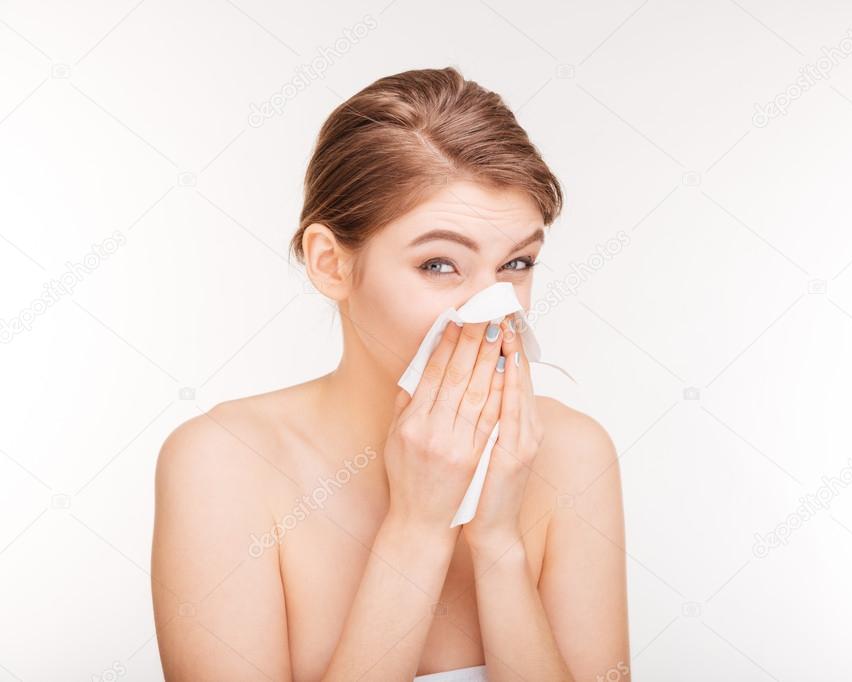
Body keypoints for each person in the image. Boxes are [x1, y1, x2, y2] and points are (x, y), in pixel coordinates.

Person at [151, 66, 628, 681]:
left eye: (516, 262)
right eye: (439, 264)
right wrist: (418, 528)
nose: (493, 307)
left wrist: (499, 547)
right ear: (331, 265)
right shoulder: (224, 464)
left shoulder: (573, 454)